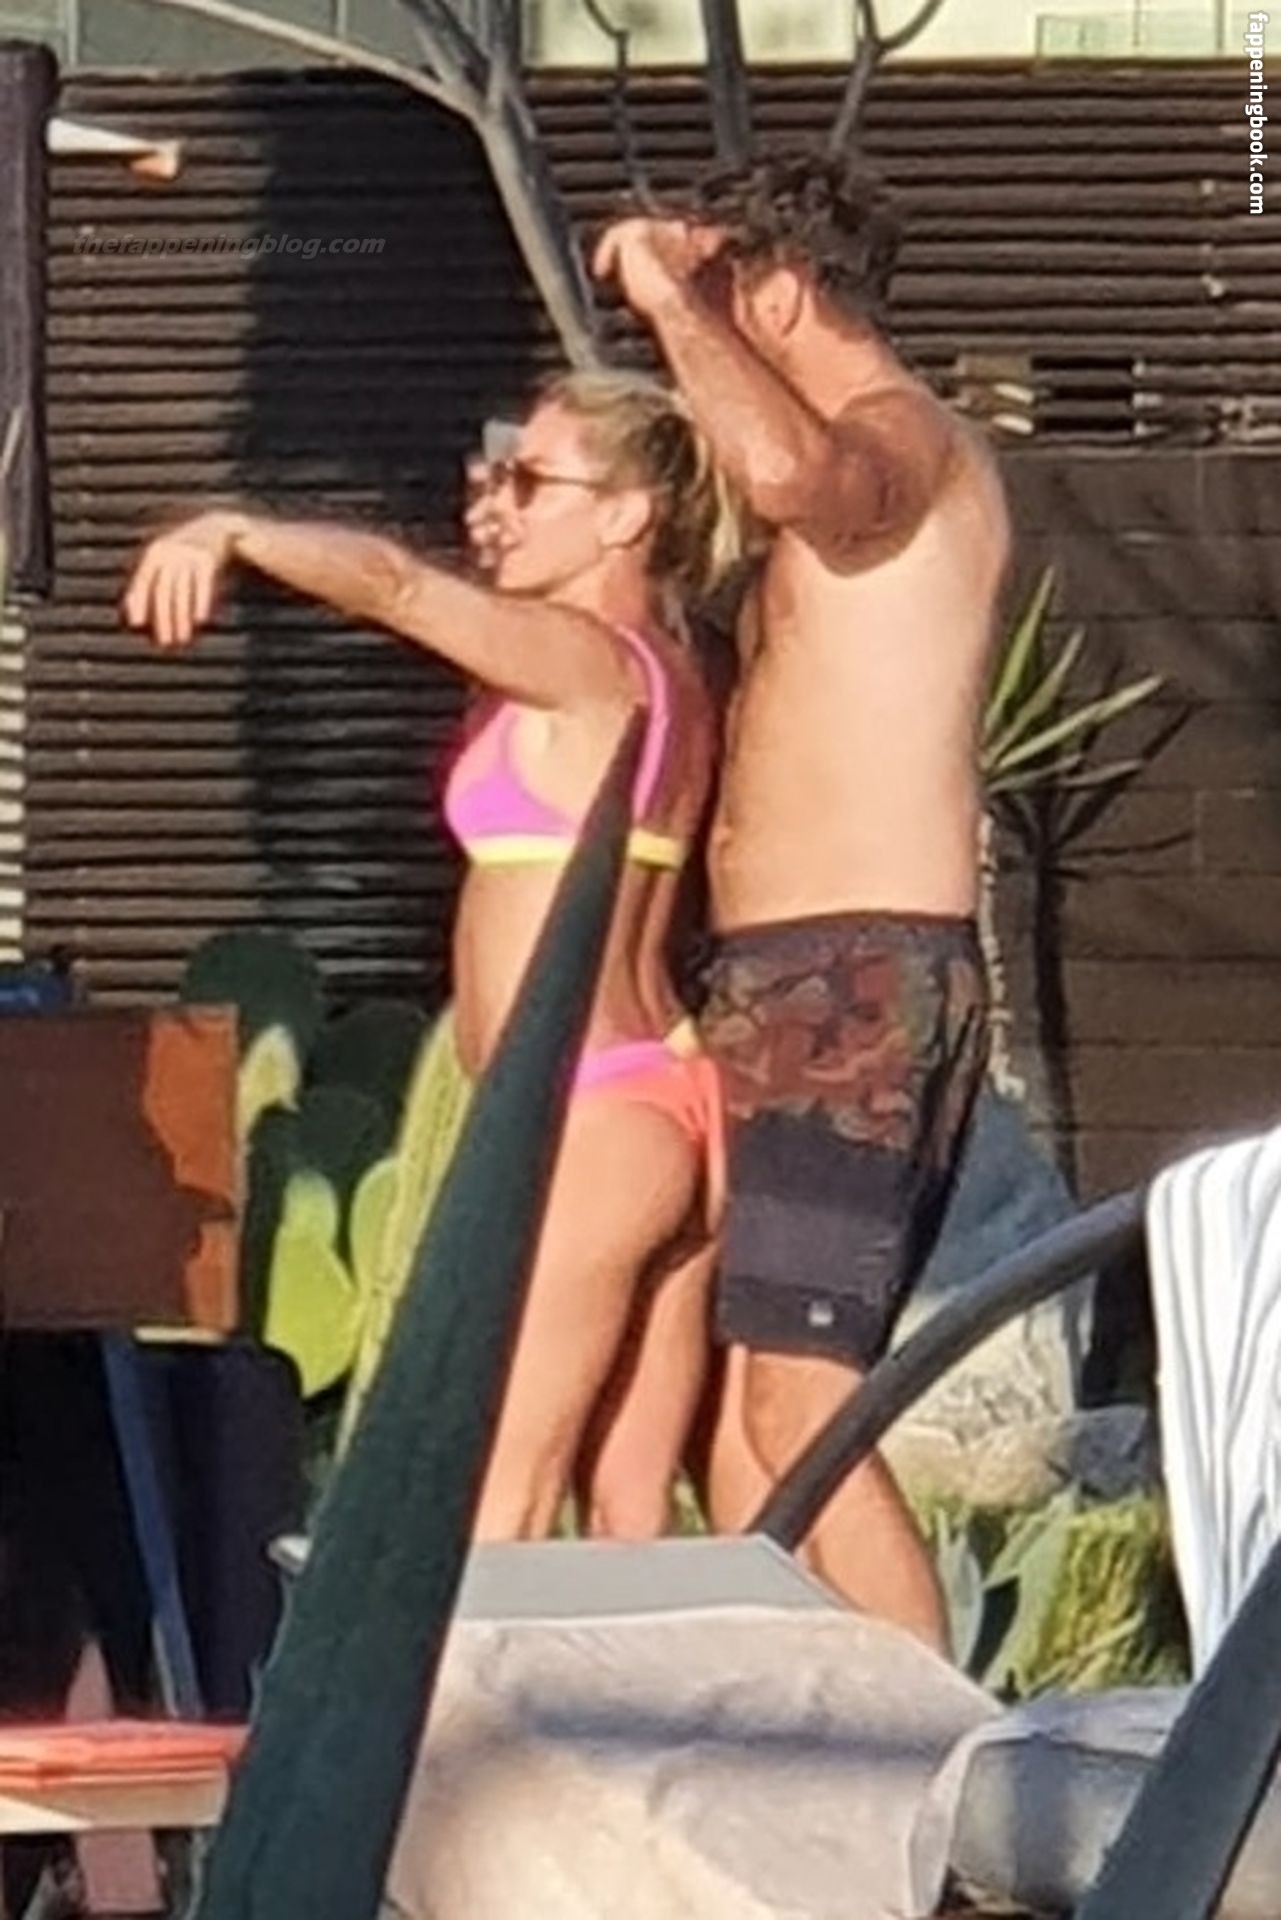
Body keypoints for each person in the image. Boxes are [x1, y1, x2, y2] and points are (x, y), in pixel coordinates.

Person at [121, 369, 746, 1544]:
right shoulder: (668, 665)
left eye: (531, 481)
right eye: (488, 475)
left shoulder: (582, 660)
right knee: (628, 1513)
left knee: (501, 1497)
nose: (494, 504)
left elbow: (398, 586)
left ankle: (457, 1683)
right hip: (660, 1093)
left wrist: (236, 531)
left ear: (626, 516)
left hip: (588, 1113)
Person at [595, 151, 1010, 1651]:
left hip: (859, 982)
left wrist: (669, 294)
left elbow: (786, 475)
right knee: (744, 1424)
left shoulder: (901, 443)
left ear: (775, 294)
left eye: (724, 304)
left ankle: (945, 1750)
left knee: (800, 1394)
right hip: (786, 977)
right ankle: (824, 1732)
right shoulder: (839, 475)